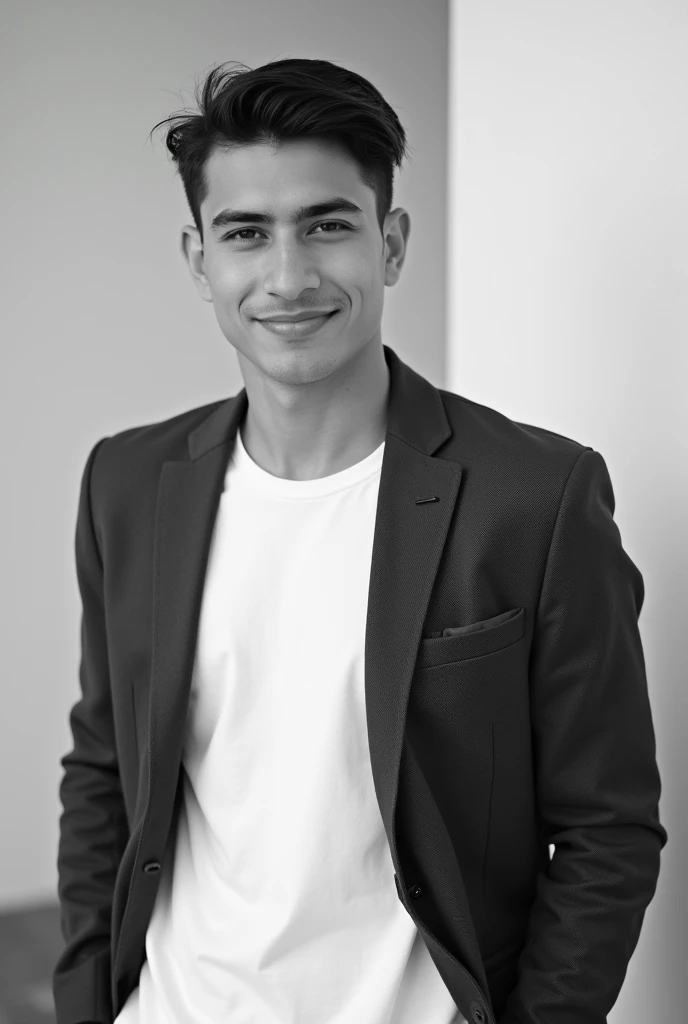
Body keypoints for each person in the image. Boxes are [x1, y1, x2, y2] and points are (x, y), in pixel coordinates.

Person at [53, 58, 667, 1024]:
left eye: (328, 224)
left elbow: (608, 828)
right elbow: (104, 767)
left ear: (390, 244)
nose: (288, 276)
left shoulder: (536, 497)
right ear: (197, 259)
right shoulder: (126, 482)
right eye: (246, 234)